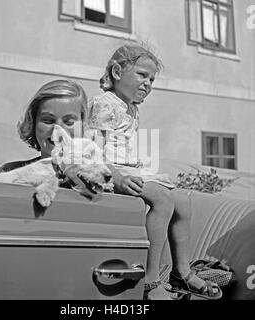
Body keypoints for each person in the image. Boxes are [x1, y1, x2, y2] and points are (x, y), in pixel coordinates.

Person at [86, 44, 222, 300]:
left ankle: (181, 272)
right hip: (108, 173)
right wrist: (118, 178)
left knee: (183, 202)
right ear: (116, 71)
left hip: (129, 170)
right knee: (162, 198)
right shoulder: (105, 104)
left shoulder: (131, 108)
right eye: (141, 75)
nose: (148, 83)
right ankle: (150, 280)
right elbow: (94, 151)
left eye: (152, 79)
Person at [0, 79, 94, 194]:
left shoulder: (98, 180)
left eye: (69, 122)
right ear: (33, 122)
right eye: (48, 120)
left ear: (83, 125)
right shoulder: (9, 172)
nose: (58, 129)